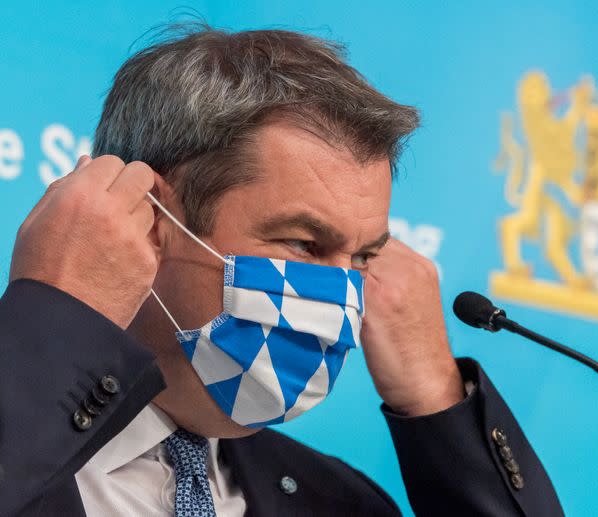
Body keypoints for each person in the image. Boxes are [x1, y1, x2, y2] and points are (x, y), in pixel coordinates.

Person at [0, 25, 563, 516]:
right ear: (151, 221)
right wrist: (59, 326)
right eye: (305, 243)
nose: (345, 296)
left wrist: (438, 402)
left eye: (363, 256)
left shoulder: (344, 503)